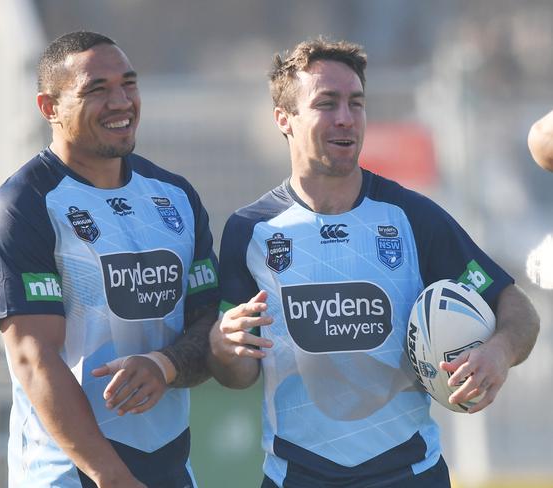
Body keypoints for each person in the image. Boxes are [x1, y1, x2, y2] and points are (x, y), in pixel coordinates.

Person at [208, 38, 540, 488]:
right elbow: (239, 373)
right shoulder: (250, 230)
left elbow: (515, 305)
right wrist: (223, 347)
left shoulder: (413, 218)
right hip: (297, 476)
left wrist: (498, 352)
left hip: (412, 474)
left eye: (356, 102)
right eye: (327, 103)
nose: (346, 117)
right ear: (284, 119)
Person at [0, 31, 219, 488]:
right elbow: (34, 358)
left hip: (171, 470)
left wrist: (164, 363)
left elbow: (209, 320)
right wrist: (112, 477)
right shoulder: (23, 206)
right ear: (49, 108)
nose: (121, 102)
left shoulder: (176, 196)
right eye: (97, 90)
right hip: (69, 475)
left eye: (128, 84)